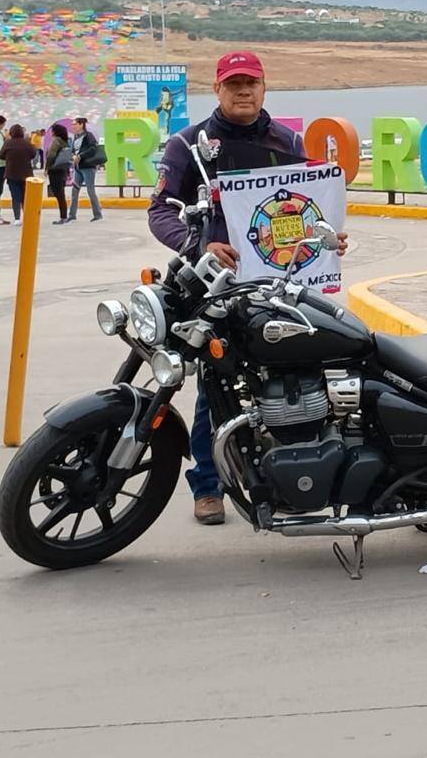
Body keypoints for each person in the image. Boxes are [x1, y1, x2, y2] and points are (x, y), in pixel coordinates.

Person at [148, 50, 347, 526]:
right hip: (218, 286)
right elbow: (159, 211)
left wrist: (330, 237)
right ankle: (208, 487)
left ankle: (304, 469)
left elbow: (310, 208)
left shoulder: (289, 141)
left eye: (251, 83)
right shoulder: (188, 146)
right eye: (233, 83)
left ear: (264, 87)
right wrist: (199, 245)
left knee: (308, 370)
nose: (243, 91)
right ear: (216, 89)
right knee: (213, 389)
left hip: (285, 284)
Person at [67, 117, 104, 222]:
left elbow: (93, 148)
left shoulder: (88, 136)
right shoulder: (75, 137)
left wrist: (80, 156)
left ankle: (97, 214)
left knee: (90, 190)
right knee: (75, 191)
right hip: (78, 167)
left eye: (74, 124)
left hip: (88, 167)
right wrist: (74, 156)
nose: (73, 126)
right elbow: (74, 150)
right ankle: (72, 215)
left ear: (81, 125)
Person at [0, 124, 38, 223]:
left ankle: (17, 219)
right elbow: (34, 154)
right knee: (26, 197)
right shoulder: (26, 143)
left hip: (12, 174)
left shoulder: (8, 143)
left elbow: (1, 155)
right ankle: (27, 217)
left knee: (15, 197)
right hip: (26, 174)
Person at [46, 124, 71, 224]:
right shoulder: (65, 142)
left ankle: (63, 217)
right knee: (61, 193)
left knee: (58, 194)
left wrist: (47, 167)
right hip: (63, 170)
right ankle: (64, 215)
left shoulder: (56, 141)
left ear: (55, 132)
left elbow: (51, 155)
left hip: (55, 170)